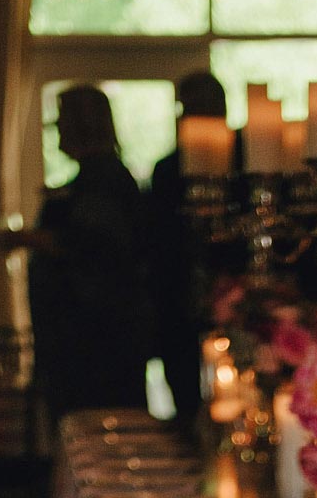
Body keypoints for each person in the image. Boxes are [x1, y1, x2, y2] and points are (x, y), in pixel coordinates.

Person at [14, 84, 153, 424]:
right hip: (84, 341)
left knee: (97, 427)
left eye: (61, 120)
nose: (56, 129)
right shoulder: (92, 179)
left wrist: (32, 238)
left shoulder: (103, 178)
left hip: (93, 344)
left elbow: (94, 246)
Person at [145, 72, 227, 431]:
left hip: (231, 299)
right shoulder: (167, 171)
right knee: (185, 406)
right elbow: (157, 244)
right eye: (188, 107)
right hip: (176, 303)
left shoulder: (245, 162)